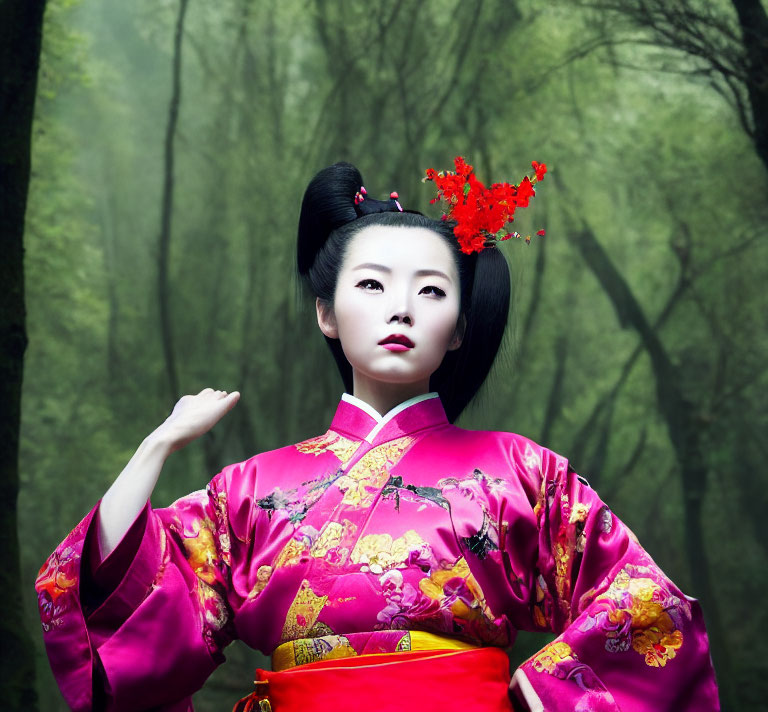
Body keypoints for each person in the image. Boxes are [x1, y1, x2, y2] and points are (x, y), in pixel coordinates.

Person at [36, 161, 720, 712]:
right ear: (326, 313)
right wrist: (155, 447)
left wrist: (535, 698)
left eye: (430, 290)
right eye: (372, 284)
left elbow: (646, 608)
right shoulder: (249, 488)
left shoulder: (521, 470)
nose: (401, 307)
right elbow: (127, 606)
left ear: (457, 326)